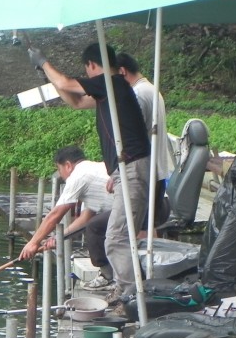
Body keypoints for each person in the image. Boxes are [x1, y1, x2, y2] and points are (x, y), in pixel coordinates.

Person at [27, 43, 150, 305]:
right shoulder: (112, 91)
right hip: (124, 171)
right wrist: (49, 78)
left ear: (92, 65)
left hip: (131, 169)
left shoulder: (111, 82)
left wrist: (43, 62)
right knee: (118, 236)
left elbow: (67, 83)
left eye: (87, 70)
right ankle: (129, 291)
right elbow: (76, 101)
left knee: (116, 238)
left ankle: (131, 296)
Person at [17, 145, 115, 289]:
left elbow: (55, 214)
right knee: (93, 223)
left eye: (59, 169)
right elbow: (85, 218)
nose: (60, 174)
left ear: (68, 165)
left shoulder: (78, 175)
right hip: (132, 208)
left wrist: (33, 243)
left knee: (94, 227)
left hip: (131, 211)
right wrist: (59, 237)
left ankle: (108, 276)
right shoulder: (93, 170)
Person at [115, 52, 172, 229]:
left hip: (145, 173)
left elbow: (132, 137)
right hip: (158, 170)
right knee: (148, 227)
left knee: (139, 228)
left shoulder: (137, 94)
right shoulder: (152, 90)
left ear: (122, 71)